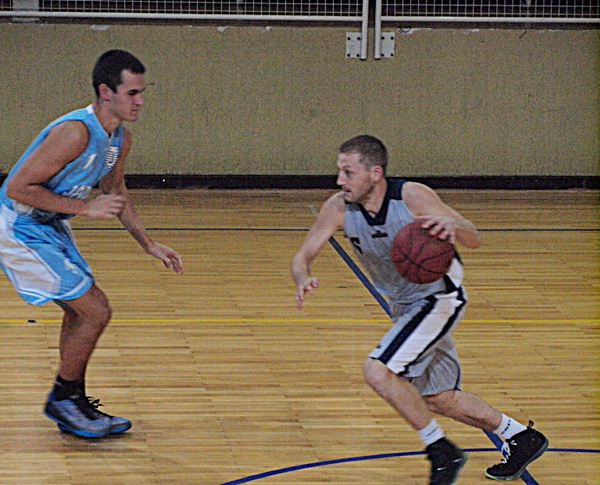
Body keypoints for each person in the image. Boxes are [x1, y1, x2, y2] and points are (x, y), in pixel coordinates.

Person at [291, 135, 548, 484]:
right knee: (438, 398)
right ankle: (519, 436)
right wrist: (302, 276)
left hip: (438, 298)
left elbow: (474, 237)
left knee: (378, 371)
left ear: (375, 173)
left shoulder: (411, 196)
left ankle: (441, 451)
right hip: (404, 305)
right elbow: (303, 254)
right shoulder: (339, 207)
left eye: (348, 172)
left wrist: (453, 226)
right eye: (339, 171)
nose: (340, 180)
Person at [0, 50, 183, 439]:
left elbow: (115, 192)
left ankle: (72, 401)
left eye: (142, 92)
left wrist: (148, 244)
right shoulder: (75, 133)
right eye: (132, 93)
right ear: (105, 91)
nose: (140, 101)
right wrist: (84, 208)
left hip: (49, 224)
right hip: (18, 227)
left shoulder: (119, 138)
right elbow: (16, 188)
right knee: (96, 310)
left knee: (82, 310)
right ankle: (64, 399)